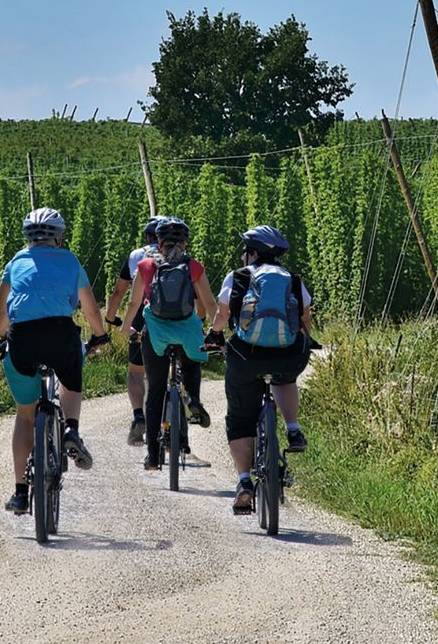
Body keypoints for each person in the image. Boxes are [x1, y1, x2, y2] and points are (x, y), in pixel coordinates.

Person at [0, 206, 110, 516]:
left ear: (27, 238)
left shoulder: (14, 263)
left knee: (24, 415)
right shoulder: (70, 261)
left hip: (22, 341)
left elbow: (2, 315)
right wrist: (99, 336)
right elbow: (90, 311)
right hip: (60, 336)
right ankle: (71, 429)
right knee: (71, 376)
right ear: (59, 237)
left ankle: (20, 493)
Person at [207, 224, 313, 516]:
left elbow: (223, 314)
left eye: (246, 250)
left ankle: (243, 484)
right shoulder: (292, 279)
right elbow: (305, 318)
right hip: (286, 356)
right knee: (286, 377)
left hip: (246, 356)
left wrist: (214, 335)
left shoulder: (238, 276)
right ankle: (293, 430)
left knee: (240, 418)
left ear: (253, 253)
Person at [120, 217, 213, 470]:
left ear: (158, 242)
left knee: (156, 392)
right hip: (187, 331)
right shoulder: (193, 266)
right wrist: (216, 331)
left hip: (156, 334)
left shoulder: (146, 266)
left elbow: (134, 304)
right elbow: (210, 304)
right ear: (185, 242)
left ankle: (152, 456)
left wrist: (126, 326)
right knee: (192, 361)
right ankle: (193, 398)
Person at [102, 215, 167, 447]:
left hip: (142, 316)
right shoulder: (180, 256)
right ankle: (177, 414)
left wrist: (111, 317)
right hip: (176, 320)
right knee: (174, 365)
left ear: (147, 236)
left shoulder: (136, 256)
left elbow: (120, 292)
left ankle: (139, 416)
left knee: (136, 371)